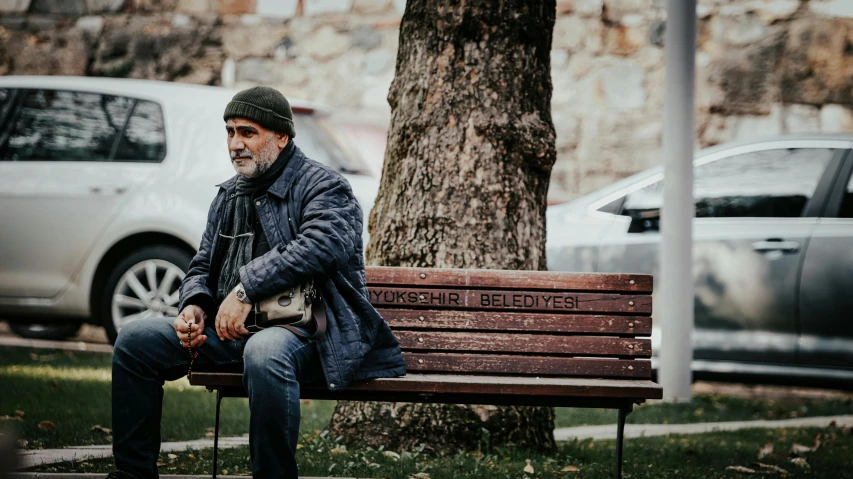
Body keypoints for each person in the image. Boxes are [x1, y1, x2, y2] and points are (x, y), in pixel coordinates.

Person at [108, 86, 406, 479]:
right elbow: (201, 264)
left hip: (307, 330)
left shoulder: (324, 186)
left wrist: (246, 289)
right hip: (231, 330)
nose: (235, 143)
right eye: (230, 131)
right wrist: (194, 306)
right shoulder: (230, 194)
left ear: (281, 136)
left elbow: (322, 245)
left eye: (248, 132)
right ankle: (132, 475)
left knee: (265, 353)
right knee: (135, 342)